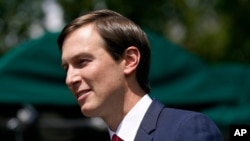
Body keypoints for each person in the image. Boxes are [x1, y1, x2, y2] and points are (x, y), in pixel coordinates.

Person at [57, 9, 224, 141]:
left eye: (82, 62)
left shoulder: (186, 130)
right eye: (66, 68)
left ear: (130, 60)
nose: (70, 79)